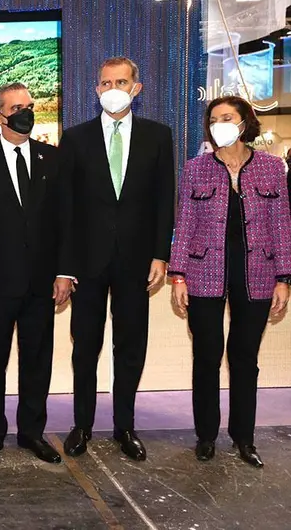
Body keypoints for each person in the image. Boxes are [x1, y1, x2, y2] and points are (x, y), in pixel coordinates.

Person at [60, 57, 175, 461]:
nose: (113, 88)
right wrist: (66, 265)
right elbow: (66, 208)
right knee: (85, 345)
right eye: (105, 81)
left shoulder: (159, 137)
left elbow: (165, 201)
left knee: (130, 344)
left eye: (121, 81)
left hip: (136, 262)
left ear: (136, 88)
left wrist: (162, 254)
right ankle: (82, 425)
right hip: (87, 263)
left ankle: (125, 426)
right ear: (96, 90)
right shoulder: (74, 139)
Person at [169, 96, 291, 468]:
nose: (219, 123)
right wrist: (178, 274)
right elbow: (185, 221)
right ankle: (206, 436)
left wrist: (284, 278)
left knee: (244, 359)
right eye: (214, 118)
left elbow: (282, 224)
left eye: (227, 117)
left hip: (257, 274)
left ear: (244, 123)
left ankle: (244, 437)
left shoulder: (271, 169)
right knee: (206, 356)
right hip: (204, 273)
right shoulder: (196, 168)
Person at [0, 83, 73, 467]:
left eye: (29, 105)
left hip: (42, 284)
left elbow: (64, 221)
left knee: (37, 361)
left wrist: (64, 273)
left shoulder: (53, 160)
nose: (26, 112)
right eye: (16, 107)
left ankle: (32, 434)